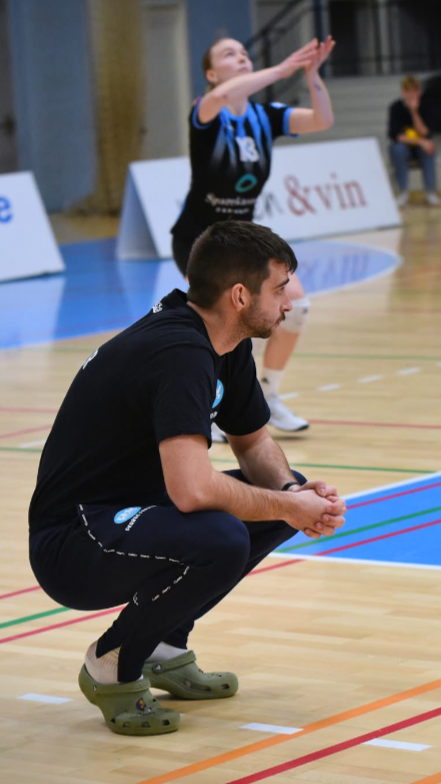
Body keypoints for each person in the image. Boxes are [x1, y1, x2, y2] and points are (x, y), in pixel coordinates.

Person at [29, 221, 346, 737]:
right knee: (220, 534)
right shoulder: (179, 353)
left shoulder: (226, 339)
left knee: (273, 500)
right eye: (280, 288)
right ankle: (112, 662)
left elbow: (253, 443)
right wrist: (288, 507)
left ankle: (164, 645)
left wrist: (291, 494)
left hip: (134, 515)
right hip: (73, 541)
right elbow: (192, 491)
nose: (289, 302)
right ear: (240, 295)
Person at [171, 36, 336, 438]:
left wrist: (312, 75)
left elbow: (322, 120)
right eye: (229, 54)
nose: (240, 56)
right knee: (224, 322)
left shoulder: (265, 115)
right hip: (202, 240)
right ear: (212, 74)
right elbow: (226, 95)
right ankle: (211, 410)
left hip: (243, 237)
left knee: (296, 305)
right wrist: (281, 70)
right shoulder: (206, 110)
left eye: (244, 52)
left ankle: (270, 395)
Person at [388, 75, 440, 208]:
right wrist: (421, 141)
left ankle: (430, 192)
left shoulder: (427, 106)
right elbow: (396, 135)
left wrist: (414, 111)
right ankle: (403, 192)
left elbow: (425, 132)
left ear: (420, 92)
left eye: (415, 91)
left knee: (428, 148)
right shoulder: (396, 107)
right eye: (408, 91)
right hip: (405, 147)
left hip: (420, 149)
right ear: (403, 92)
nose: (412, 94)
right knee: (397, 148)